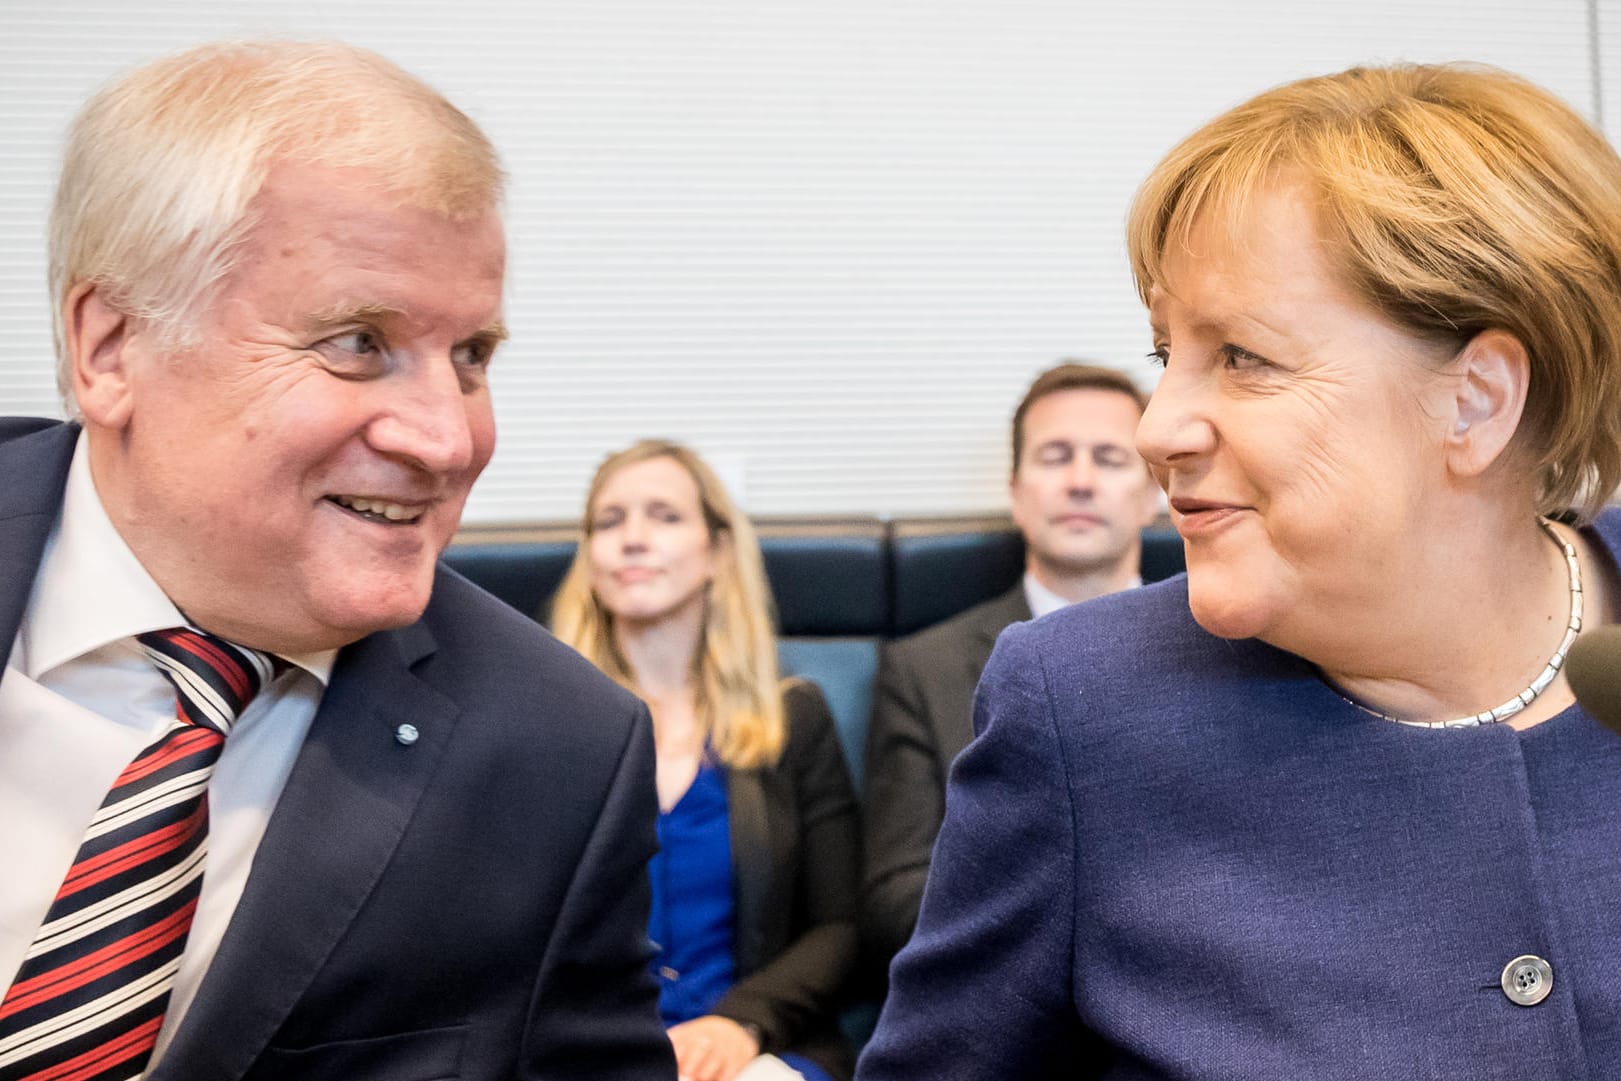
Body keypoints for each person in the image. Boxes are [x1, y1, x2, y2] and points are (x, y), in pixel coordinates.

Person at [856, 61, 1621, 1080]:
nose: (1156, 426)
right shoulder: (1084, 712)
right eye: (1163, 353)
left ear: (1474, 400)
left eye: (1243, 357)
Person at [0, 41, 675, 1081]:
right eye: (358, 342)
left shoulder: (557, 756)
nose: (449, 441)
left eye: (472, 356)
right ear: (111, 346)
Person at [553, 440, 861, 1081]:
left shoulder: (793, 719)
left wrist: (740, 1022)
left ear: (719, 551)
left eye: (664, 516)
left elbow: (840, 927)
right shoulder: (543, 726)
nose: (632, 539)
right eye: (609, 522)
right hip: (590, 1055)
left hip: (757, 1049)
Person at [861, 362, 1160, 967]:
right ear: (1015, 491)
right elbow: (895, 898)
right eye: (1054, 457)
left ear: (1156, 492)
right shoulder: (924, 670)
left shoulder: (1227, 647)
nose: (1080, 481)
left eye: (1109, 457)